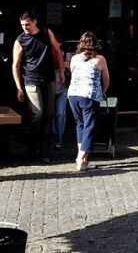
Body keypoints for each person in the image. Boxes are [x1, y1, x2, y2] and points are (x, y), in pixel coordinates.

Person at [11, 11, 63, 162]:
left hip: (49, 79)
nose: (25, 27)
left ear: (35, 22)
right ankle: (34, 146)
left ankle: (44, 151)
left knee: (49, 115)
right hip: (31, 80)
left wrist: (61, 71)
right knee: (38, 114)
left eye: (27, 24)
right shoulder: (20, 40)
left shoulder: (47, 33)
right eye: (22, 25)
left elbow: (58, 52)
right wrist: (19, 87)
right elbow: (15, 65)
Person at [67, 32, 110, 171]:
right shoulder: (100, 59)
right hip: (90, 96)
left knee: (80, 125)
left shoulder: (74, 58)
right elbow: (106, 80)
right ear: (96, 44)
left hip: (73, 95)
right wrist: (102, 91)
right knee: (90, 127)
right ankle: (81, 158)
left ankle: (84, 161)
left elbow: (73, 75)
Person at [53, 37, 72, 151]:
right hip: (50, 89)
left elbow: (72, 69)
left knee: (60, 114)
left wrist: (66, 67)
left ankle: (58, 140)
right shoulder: (48, 54)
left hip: (63, 89)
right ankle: (53, 137)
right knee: (50, 115)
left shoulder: (67, 55)